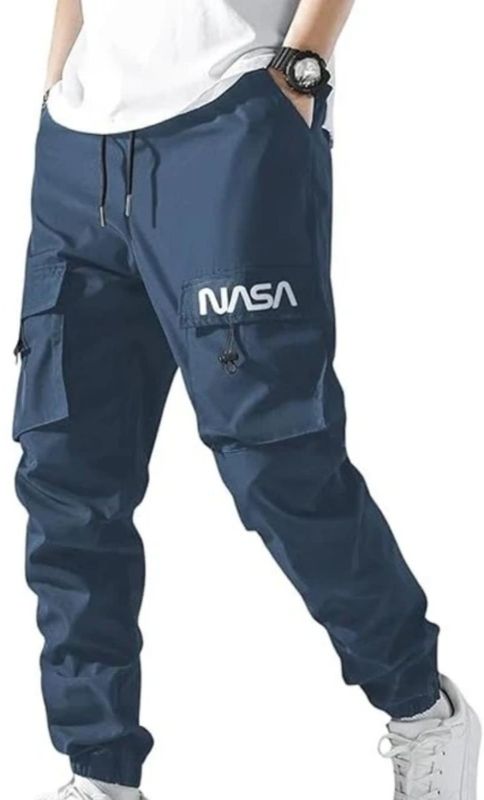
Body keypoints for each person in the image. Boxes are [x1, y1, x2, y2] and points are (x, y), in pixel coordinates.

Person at [13, 1, 480, 798]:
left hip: (228, 119)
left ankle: (422, 709)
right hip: (79, 144)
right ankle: (99, 773)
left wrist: (299, 71)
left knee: (275, 458)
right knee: (66, 475)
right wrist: (57, 85)